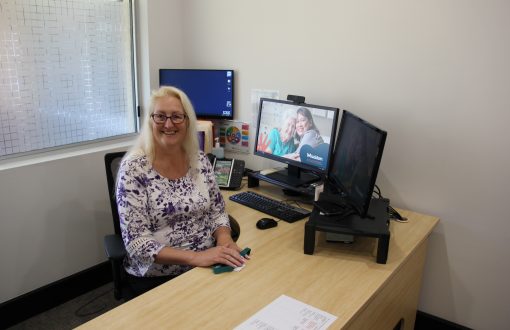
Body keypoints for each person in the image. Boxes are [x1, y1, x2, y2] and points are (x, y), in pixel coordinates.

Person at [116, 86, 247, 297]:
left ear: (187, 121)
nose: (168, 124)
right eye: (160, 116)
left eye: (177, 116)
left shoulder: (199, 160)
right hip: (158, 277)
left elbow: (217, 211)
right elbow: (137, 243)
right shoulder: (133, 169)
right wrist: (196, 257)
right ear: (150, 121)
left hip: (209, 264)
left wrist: (224, 239)